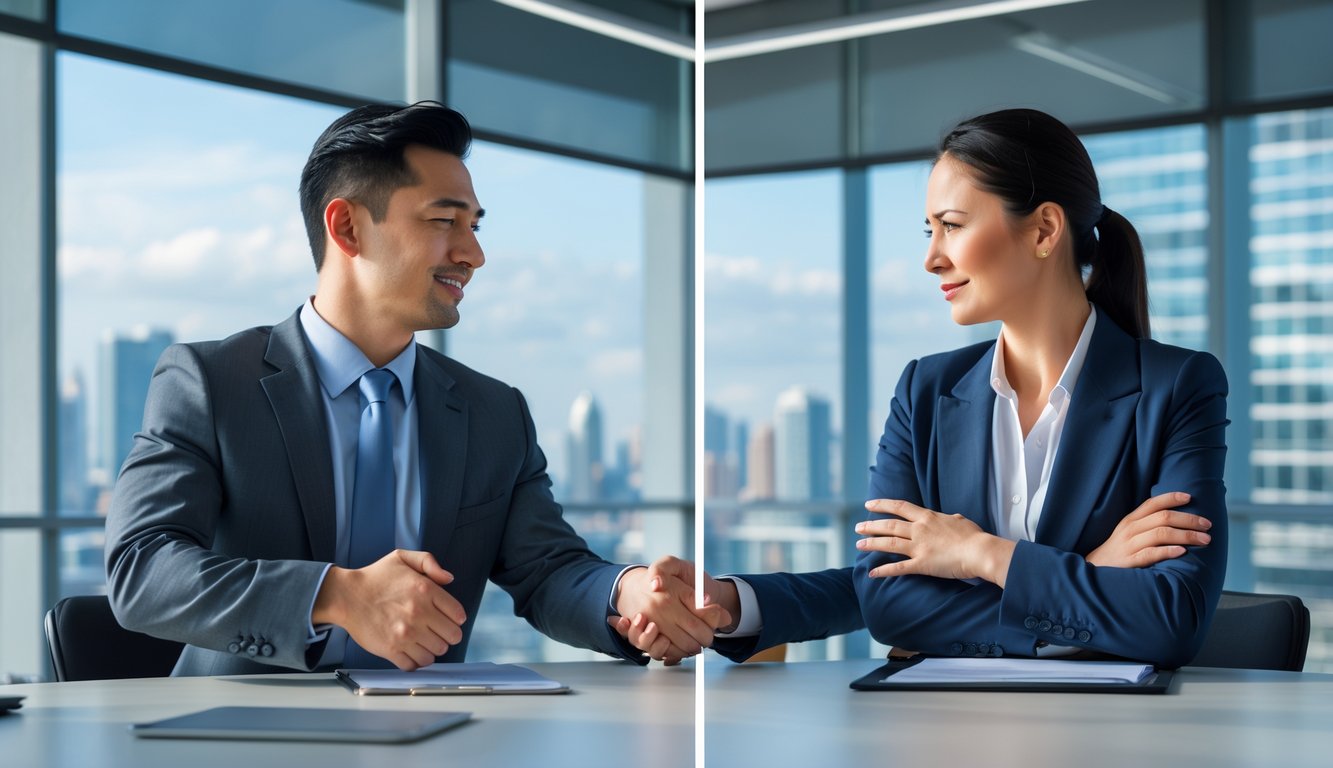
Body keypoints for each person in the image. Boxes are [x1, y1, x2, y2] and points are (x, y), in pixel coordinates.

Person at [104, 101, 726, 675]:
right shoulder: (211, 383)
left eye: (475, 225)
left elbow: (549, 571)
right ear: (347, 228)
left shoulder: (493, 412)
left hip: (433, 732)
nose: (473, 253)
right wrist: (335, 594)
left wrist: (627, 594)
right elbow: (142, 568)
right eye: (443, 221)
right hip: (240, 736)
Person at [853, 108, 1228, 669]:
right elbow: (888, 605)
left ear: (1045, 230)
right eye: (929, 231)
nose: (932, 258)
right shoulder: (924, 392)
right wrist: (1093, 570)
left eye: (952, 225)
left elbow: (1171, 619)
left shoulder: (1179, 387)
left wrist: (980, 555)